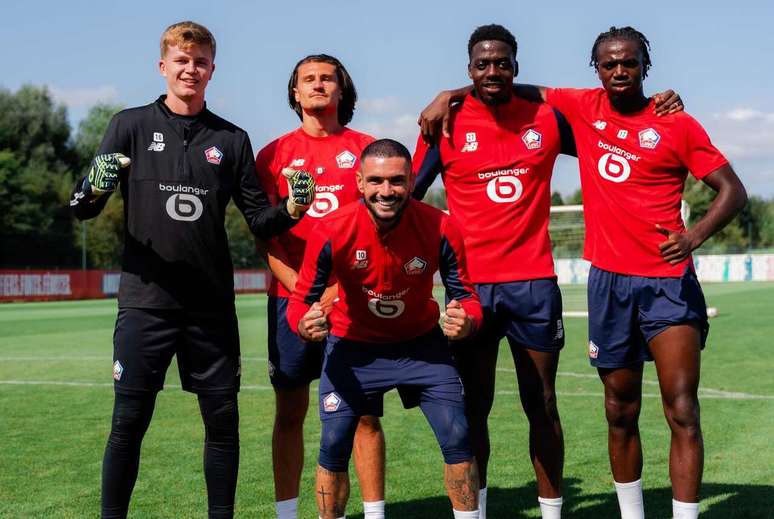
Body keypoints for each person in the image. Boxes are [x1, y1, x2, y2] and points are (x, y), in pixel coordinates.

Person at [422, 25, 747, 519]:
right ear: (595, 68)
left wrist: (692, 236)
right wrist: (449, 94)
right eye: (609, 63)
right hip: (568, 284)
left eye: (630, 62)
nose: (620, 70)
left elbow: (729, 188)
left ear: (645, 66)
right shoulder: (554, 113)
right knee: (608, 409)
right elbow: (503, 88)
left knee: (670, 408)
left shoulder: (652, 122)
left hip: (621, 284)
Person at [70, 21, 314, 519]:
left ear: (212, 70)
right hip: (146, 303)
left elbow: (259, 221)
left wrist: (292, 207)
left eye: (200, 61)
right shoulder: (129, 125)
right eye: (182, 60)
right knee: (128, 421)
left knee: (222, 424)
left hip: (209, 309)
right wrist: (92, 187)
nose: (191, 69)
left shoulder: (232, 138)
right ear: (163, 67)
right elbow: (83, 208)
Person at [412, 24, 577, 519]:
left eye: (501, 63)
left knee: (543, 404)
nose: (492, 71)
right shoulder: (445, 124)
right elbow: (406, 198)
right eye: (482, 64)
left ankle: (551, 512)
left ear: (515, 68)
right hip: (471, 289)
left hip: (533, 286)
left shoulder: (547, 119)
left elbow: (609, 126)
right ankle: (473, 514)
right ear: (469, 70)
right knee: (472, 407)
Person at [287, 139, 483, 519]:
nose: (386, 191)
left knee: (458, 436)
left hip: (422, 347)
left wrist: (467, 320)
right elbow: (300, 300)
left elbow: (467, 296)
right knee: (333, 443)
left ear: (411, 182)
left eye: (397, 181)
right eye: (376, 181)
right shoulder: (330, 229)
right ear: (359, 182)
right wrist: (303, 323)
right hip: (353, 348)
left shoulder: (441, 226)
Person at [255, 54, 386, 519]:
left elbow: (380, 231)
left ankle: (373, 513)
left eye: (326, 78)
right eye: (307, 79)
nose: (317, 85)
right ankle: (287, 515)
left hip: (353, 304)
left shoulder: (367, 148)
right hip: (291, 304)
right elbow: (265, 237)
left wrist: (334, 295)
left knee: (365, 414)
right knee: (290, 412)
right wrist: (303, 294)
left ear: (341, 89)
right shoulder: (272, 154)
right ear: (295, 92)